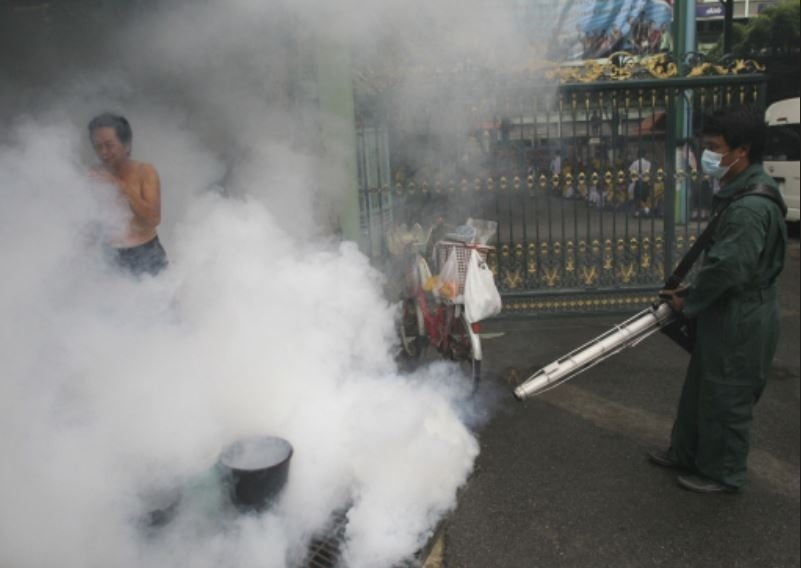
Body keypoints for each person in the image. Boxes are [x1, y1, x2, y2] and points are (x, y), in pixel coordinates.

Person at [651, 106, 788, 493]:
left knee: (727, 395)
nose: (707, 155)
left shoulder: (750, 208)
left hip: (742, 317)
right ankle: (686, 453)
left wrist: (688, 299)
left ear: (741, 151)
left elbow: (730, 269)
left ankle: (722, 472)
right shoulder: (741, 190)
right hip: (725, 310)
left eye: (714, 147)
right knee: (701, 388)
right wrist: (692, 294)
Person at [88, 113, 168, 276]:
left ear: (126, 145)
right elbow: (89, 225)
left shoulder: (145, 172)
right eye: (98, 146)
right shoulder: (93, 175)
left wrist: (119, 186)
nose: (103, 152)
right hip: (109, 257)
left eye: (109, 145)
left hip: (146, 255)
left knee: (157, 300)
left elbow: (152, 219)